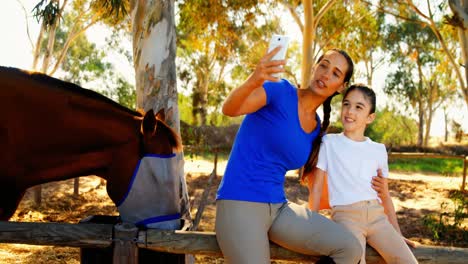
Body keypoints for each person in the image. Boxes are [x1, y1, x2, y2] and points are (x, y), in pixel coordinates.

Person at [215, 46, 363, 264]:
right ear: (315, 66)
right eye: (323, 65)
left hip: (278, 207)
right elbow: (230, 108)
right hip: (239, 202)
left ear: (341, 87)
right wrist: (254, 79)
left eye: (335, 73)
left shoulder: (316, 127)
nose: (325, 74)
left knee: (349, 248)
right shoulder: (280, 90)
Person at [308, 84, 418, 264]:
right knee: (355, 260)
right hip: (346, 217)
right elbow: (317, 187)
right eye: (346, 104)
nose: (350, 111)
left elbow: (384, 194)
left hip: (378, 218)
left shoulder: (378, 150)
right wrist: (309, 223)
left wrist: (397, 235)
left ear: (370, 117)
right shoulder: (329, 142)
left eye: (359, 107)